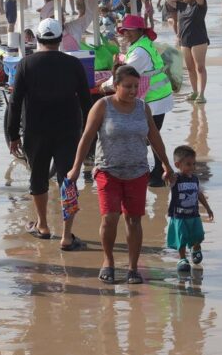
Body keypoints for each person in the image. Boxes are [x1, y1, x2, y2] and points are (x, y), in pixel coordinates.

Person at [66, 65, 175, 285]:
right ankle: (109, 261)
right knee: (110, 218)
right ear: (116, 86)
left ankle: (133, 267)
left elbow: (154, 137)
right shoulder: (102, 106)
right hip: (108, 171)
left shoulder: (143, 108)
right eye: (127, 86)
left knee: (134, 220)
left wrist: (166, 164)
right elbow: (86, 137)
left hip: (137, 171)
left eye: (136, 86)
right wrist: (76, 167)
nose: (133, 91)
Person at [6, 18, 92, 249]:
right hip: (68, 130)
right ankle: (67, 235)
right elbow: (86, 100)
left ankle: (43, 226)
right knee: (68, 180)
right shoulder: (73, 64)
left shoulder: (25, 64)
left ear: (37, 38)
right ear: (59, 38)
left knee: (38, 176)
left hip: (36, 130)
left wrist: (13, 134)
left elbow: (14, 103)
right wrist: (89, 133)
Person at [102, 15, 174, 185]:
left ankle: (157, 175)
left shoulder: (140, 51)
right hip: (158, 97)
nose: (126, 34)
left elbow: (125, 74)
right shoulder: (141, 45)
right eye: (124, 30)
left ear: (140, 31)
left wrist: (104, 85)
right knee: (152, 135)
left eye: (129, 31)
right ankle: (156, 172)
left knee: (151, 136)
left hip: (155, 98)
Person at [167, 145, 213, 274]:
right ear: (178, 164)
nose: (192, 167)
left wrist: (208, 208)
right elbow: (166, 179)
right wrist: (167, 175)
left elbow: (199, 194)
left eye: (194, 164)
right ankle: (182, 259)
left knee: (197, 235)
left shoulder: (194, 179)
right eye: (188, 164)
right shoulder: (175, 178)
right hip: (179, 216)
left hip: (194, 214)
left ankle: (196, 249)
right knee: (181, 238)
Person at [166, 0, 209, 103]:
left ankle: (202, 94)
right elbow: (168, 0)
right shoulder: (182, 5)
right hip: (185, 40)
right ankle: (195, 92)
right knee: (190, 68)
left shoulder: (200, 5)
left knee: (200, 67)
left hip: (199, 40)